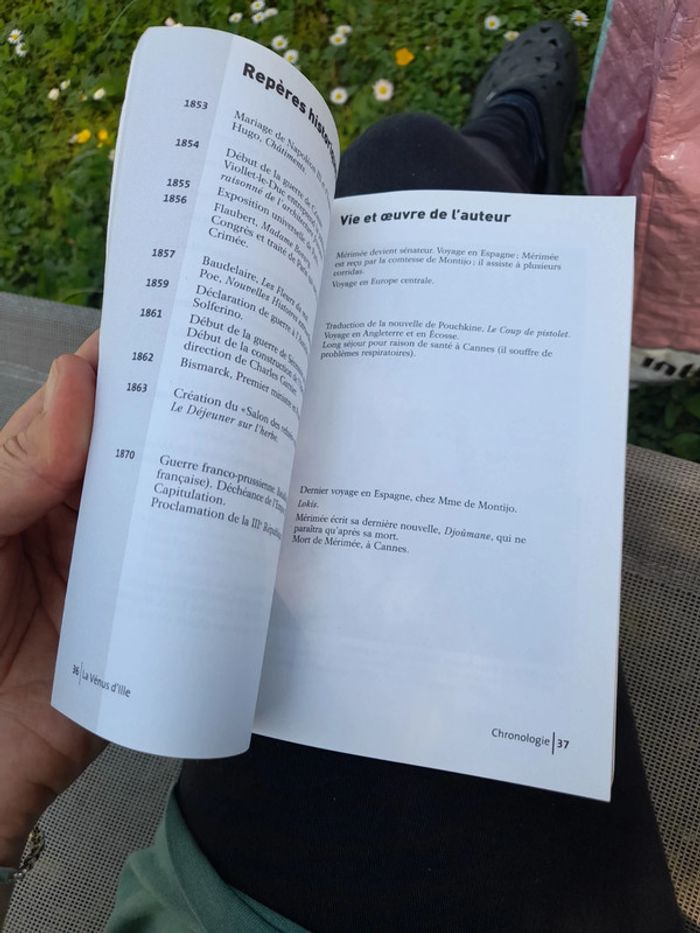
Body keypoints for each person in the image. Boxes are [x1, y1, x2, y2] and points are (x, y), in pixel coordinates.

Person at [0, 22, 683, 932]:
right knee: (409, 160)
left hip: (214, 896)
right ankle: (510, 143)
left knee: (396, 178)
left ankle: (508, 146)